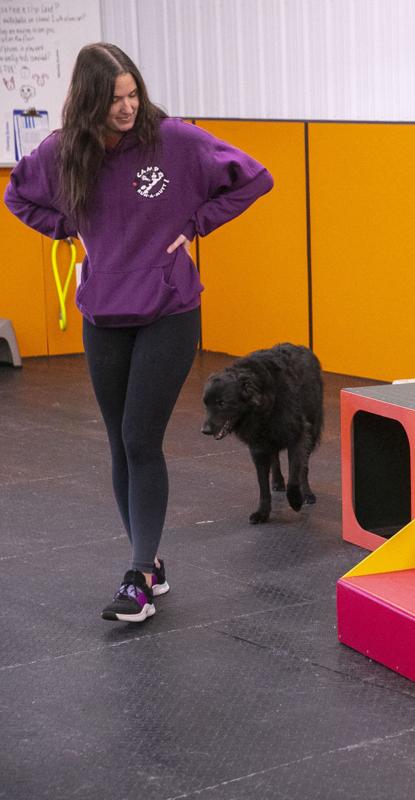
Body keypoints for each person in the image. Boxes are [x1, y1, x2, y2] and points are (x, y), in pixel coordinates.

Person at [4, 43, 273, 623]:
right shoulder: (64, 152)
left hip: (168, 310)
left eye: (133, 94)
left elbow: (255, 178)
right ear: (89, 101)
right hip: (103, 312)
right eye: (114, 99)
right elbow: (17, 195)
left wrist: (196, 223)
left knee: (140, 438)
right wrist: (65, 227)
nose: (127, 107)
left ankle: (140, 576)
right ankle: (149, 560)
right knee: (119, 442)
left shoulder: (173, 140)